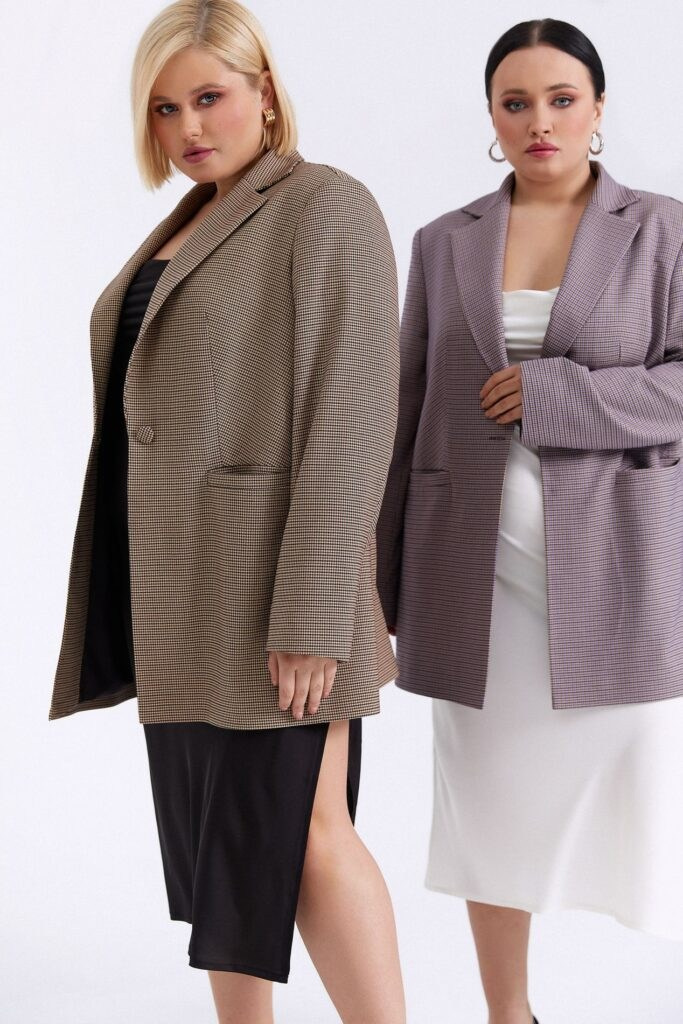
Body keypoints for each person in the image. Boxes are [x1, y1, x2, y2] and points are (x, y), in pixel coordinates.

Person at [48, 2, 406, 1021]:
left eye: (208, 96)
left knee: (310, 836)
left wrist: (310, 611)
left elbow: (350, 415)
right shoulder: (191, 218)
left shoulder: (324, 206)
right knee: (225, 850)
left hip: (274, 590)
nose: (189, 126)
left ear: (265, 92)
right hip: (181, 589)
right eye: (165, 108)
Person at [376, 17, 683, 1024]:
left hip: (617, 565)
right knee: (489, 802)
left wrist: (560, 395)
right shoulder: (443, 240)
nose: (538, 121)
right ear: (491, 117)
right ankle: (508, 1012)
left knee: (641, 786)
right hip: (468, 570)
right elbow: (407, 406)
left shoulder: (663, 230)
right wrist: (378, 582)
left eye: (560, 99)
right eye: (515, 103)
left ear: (597, 109)